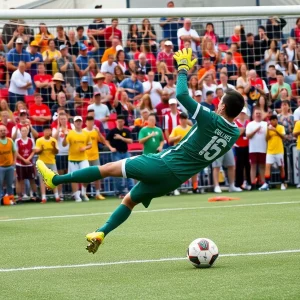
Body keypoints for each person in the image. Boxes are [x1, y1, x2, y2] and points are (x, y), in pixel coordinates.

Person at [36, 48, 245, 254]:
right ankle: (101, 233)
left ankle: (55, 180)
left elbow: (181, 94)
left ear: (223, 108)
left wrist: (182, 69)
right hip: (174, 180)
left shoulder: (211, 119)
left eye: (220, 103)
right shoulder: (234, 133)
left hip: (163, 164)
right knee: (129, 201)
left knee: (108, 168)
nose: (217, 105)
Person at [62, 116, 92, 202]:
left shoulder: (86, 133)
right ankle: (76, 195)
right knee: (74, 178)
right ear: (74, 123)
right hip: (72, 159)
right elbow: (64, 144)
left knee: (87, 175)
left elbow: (90, 144)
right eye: (76, 121)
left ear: (82, 122)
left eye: (79, 121)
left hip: (83, 158)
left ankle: (83, 192)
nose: (78, 123)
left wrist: (85, 148)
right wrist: (65, 136)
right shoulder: (70, 133)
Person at [168, 112, 199, 194]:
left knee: (194, 170)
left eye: (184, 118)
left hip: (189, 152)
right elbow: (170, 140)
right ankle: (175, 188)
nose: (183, 120)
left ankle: (195, 187)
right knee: (176, 171)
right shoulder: (176, 129)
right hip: (179, 153)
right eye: (181, 119)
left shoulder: (190, 128)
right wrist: (176, 138)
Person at [105, 115, 134, 198]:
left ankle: (131, 190)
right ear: (116, 122)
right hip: (116, 153)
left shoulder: (126, 131)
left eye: (121, 121)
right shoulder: (112, 131)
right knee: (118, 172)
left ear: (124, 122)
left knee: (129, 171)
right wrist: (110, 147)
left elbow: (131, 141)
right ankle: (121, 191)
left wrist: (121, 138)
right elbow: (106, 140)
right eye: (118, 121)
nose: (120, 123)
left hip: (125, 153)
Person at [259, 115, 286, 191]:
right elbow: (266, 139)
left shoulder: (281, 127)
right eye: (271, 120)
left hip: (279, 151)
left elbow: (283, 137)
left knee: (281, 168)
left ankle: (283, 183)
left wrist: (275, 130)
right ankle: (267, 184)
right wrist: (268, 130)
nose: (272, 122)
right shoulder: (268, 128)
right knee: (267, 167)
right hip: (270, 151)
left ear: (276, 120)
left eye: (274, 120)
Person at [83, 116, 107, 200]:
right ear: (86, 123)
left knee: (97, 175)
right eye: (88, 122)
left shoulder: (95, 131)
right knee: (86, 176)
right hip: (85, 157)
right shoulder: (83, 132)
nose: (90, 123)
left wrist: (99, 132)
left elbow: (103, 141)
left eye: (92, 122)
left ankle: (97, 193)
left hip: (95, 156)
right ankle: (84, 193)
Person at [52, 112, 74, 200]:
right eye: (61, 119)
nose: (63, 120)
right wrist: (58, 128)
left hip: (70, 153)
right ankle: (60, 193)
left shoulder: (71, 126)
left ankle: (72, 193)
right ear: (59, 120)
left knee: (70, 174)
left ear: (67, 119)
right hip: (60, 153)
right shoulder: (56, 128)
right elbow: (54, 138)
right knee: (60, 175)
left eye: (64, 119)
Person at [35, 126, 60, 203]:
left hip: (52, 162)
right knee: (42, 180)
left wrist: (53, 147)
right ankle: (43, 197)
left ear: (51, 131)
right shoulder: (39, 140)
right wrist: (41, 149)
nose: (47, 132)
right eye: (46, 131)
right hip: (42, 163)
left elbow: (56, 152)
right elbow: (37, 151)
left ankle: (57, 196)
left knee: (54, 179)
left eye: (49, 131)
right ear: (43, 132)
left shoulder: (54, 140)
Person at [246, 108, 268, 190]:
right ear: (253, 115)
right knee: (253, 166)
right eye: (256, 113)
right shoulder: (250, 124)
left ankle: (263, 182)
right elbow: (248, 136)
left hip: (263, 148)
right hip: (253, 149)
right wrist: (256, 130)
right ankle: (253, 183)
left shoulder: (265, 124)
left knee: (262, 166)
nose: (258, 115)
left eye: (259, 113)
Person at [15, 126, 37, 202]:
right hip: (20, 164)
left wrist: (28, 159)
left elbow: (33, 151)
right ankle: (19, 196)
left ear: (28, 132)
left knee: (32, 179)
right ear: (20, 132)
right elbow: (16, 153)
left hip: (29, 163)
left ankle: (34, 195)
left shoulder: (31, 140)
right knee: (20, 180)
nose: (24, 132)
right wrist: (24, 160)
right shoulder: (17, 141)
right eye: (22, 131)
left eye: (25, 131)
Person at [234, 107, 251, 190]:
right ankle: (238, 184)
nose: (242, 115)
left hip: (247, 146)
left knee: (248, 166)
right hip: (238, 146)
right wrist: (243, 130)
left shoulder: (248, 122)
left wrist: (242, 130)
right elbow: (237, 132)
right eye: (241, 113)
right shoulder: (236, 123)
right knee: (239, 166)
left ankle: (249, 182)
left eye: (243, 113)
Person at [0, 125, 16, 201]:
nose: (3, 132)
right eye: (1, 131)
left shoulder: (10, 141)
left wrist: (14, 161)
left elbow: (14, 151)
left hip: (10, 166)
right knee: (0, 183)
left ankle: (10, 198)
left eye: (4, 130)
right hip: (1, 167)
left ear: (6, 131)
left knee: (10, 183)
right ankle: (1, 198)